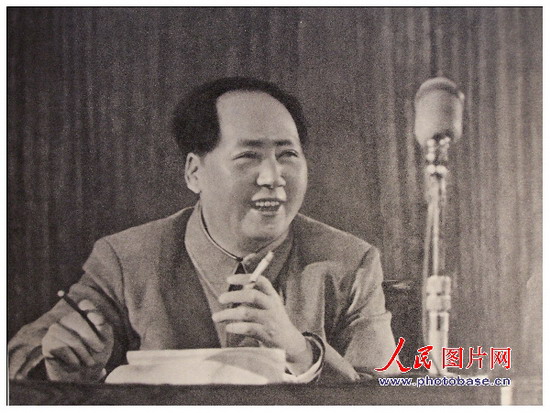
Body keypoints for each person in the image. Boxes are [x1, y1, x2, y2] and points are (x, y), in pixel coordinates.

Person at [8, 77, 399, 383]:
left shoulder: (351, 263)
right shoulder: (125, 260)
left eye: (288, 155)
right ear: (195, 172)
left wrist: (302, 353)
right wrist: (64, 365)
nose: (273, 177)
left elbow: (390, 392)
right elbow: (17, 364)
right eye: (248, 156)